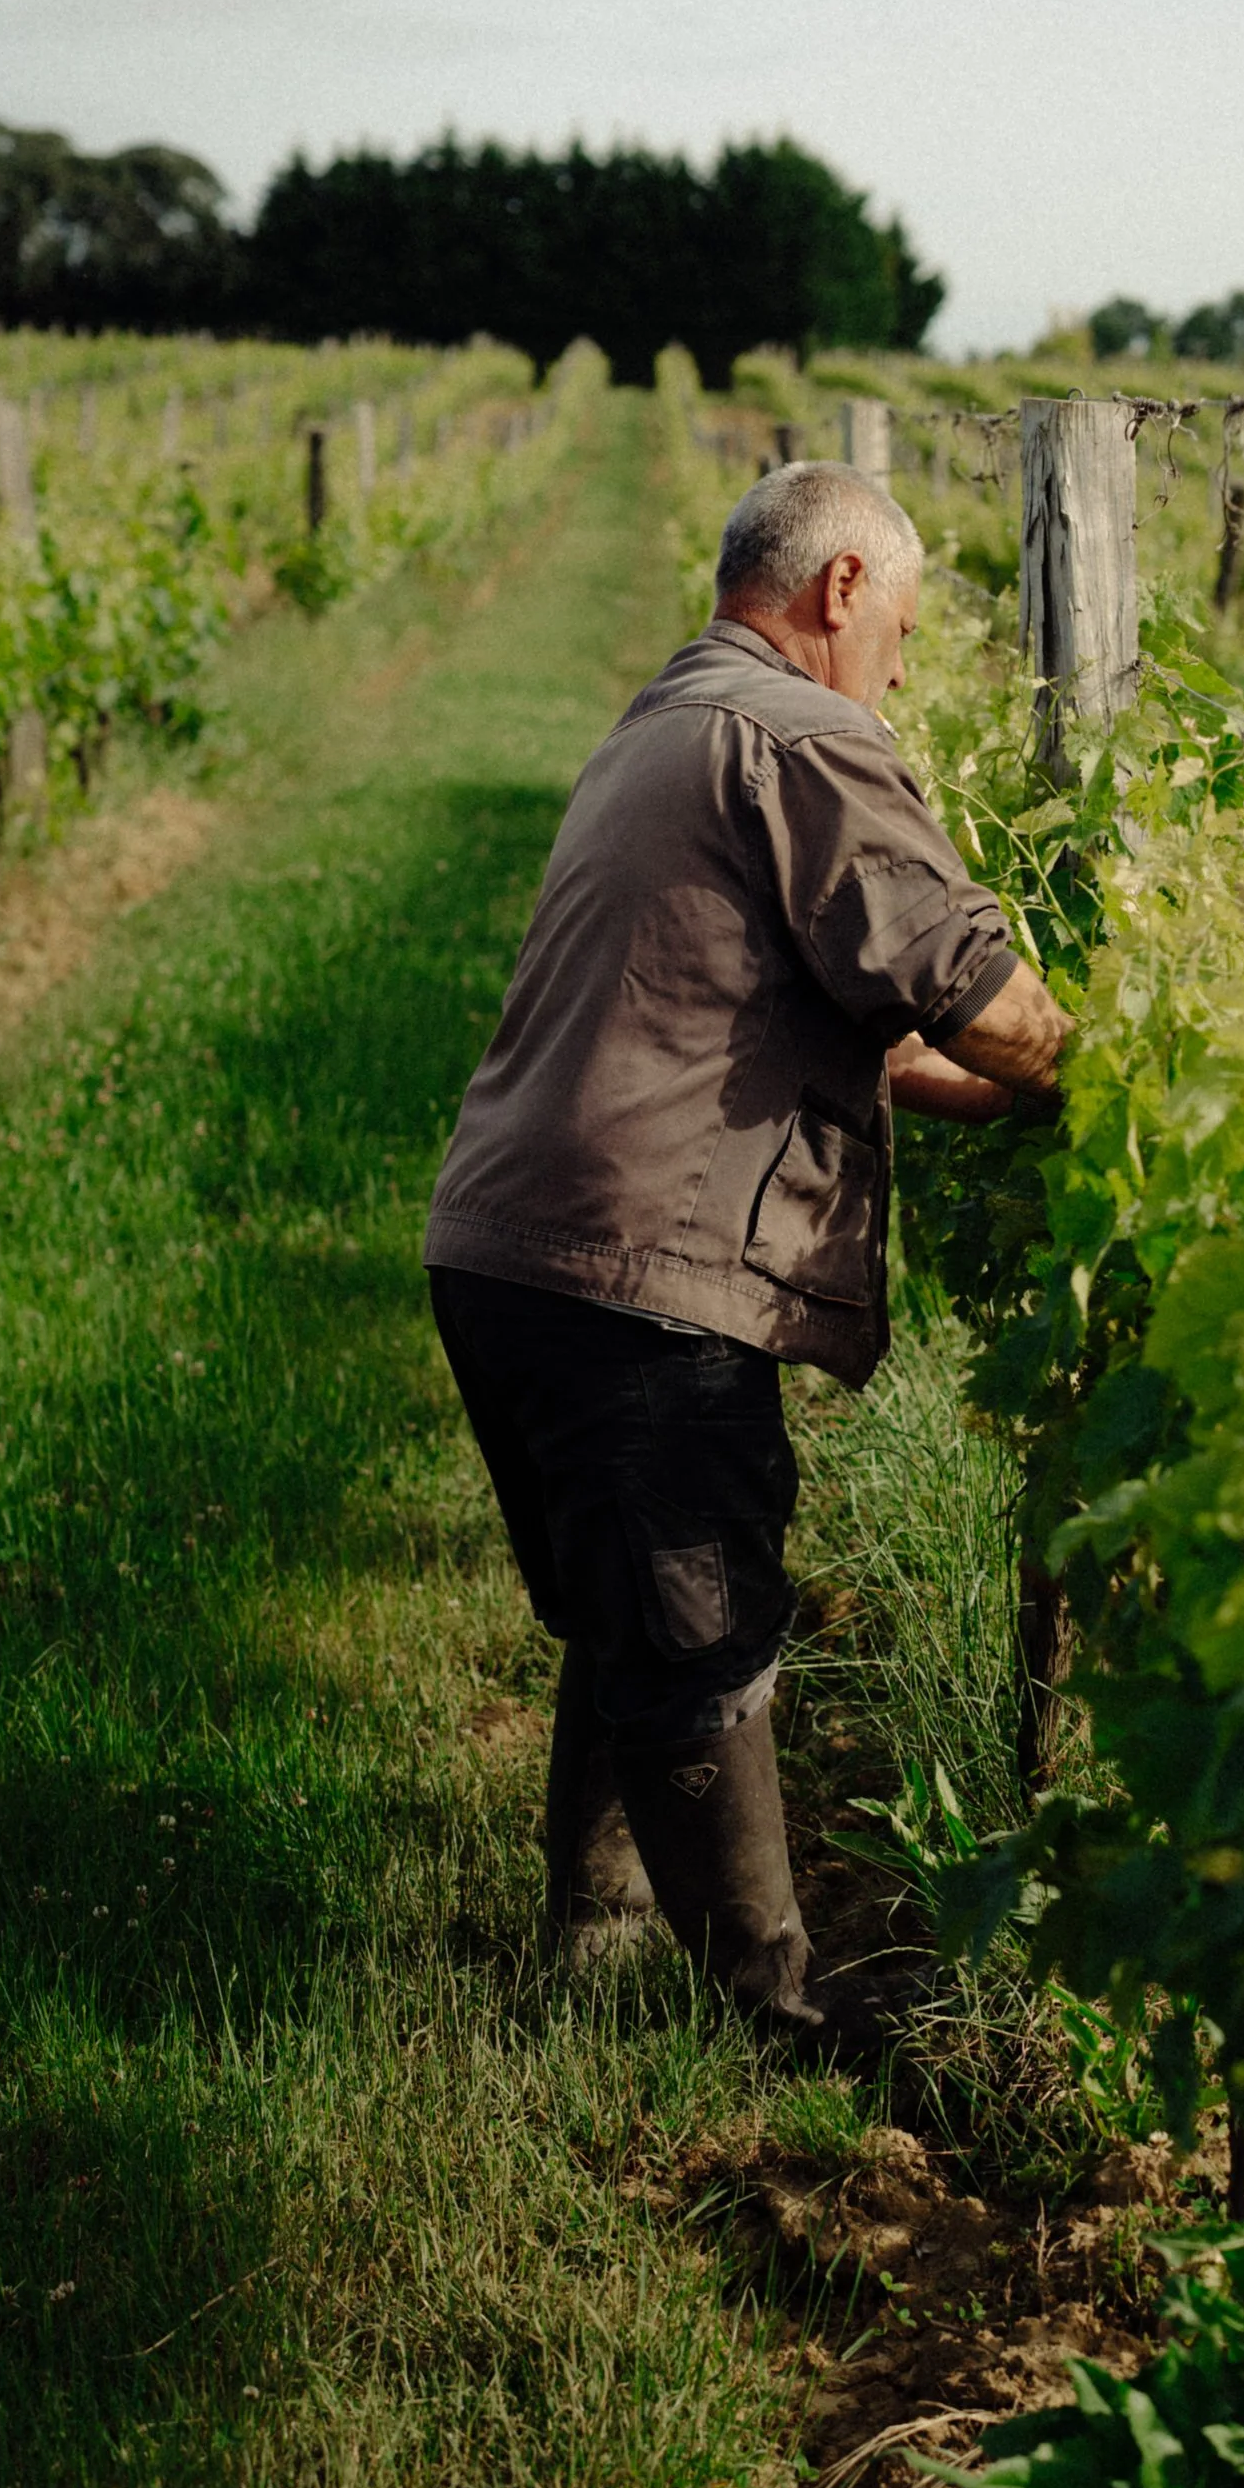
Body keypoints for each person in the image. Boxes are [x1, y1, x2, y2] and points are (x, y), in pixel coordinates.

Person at [424, 460, 1069, 2046]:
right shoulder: (800, 734)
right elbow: (964, 979)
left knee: (623, 1604)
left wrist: (964, 1087)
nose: (903, 670)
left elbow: (772, 1008)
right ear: (840, 588)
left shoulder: (664, 722)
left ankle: (593, 1944)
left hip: (510, 1249)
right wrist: (1117, 1078)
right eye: (903, 626)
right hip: (631, 1265)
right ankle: (772, 2013)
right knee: (706, 1616)